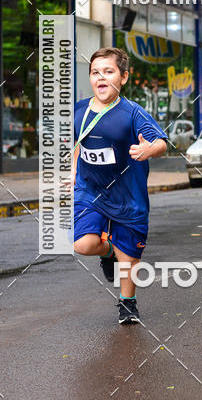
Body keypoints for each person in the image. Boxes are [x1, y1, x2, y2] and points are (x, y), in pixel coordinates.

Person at [72, 48, 168, 324]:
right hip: (90, 191)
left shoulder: (132, 113)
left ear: (123, 77)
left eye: (108, 71)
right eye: (95, 72)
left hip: (128, 196)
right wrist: (73, 173)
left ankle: (128, 302)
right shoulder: (79, 110)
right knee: (83, 244)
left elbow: (160, 142)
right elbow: (78, 143)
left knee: (129, 256)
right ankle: (108, 251)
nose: (101, 77)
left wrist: (149, 149)